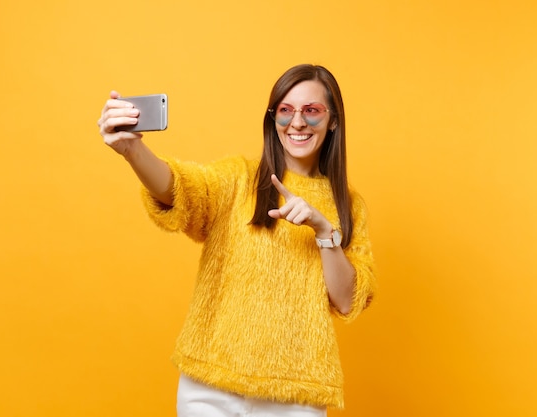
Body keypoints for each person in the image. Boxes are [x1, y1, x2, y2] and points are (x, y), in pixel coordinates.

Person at [97, 64, 375, 417]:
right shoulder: (238, 178)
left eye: (312, 111)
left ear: (333, 120)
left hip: (295, 395)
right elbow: (180, 189)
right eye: (286, 111)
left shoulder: (348, 205)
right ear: (272, 118)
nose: (298, 122)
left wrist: (324, 232)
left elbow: (349, 300)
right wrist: (132, 151)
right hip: (210, 388)